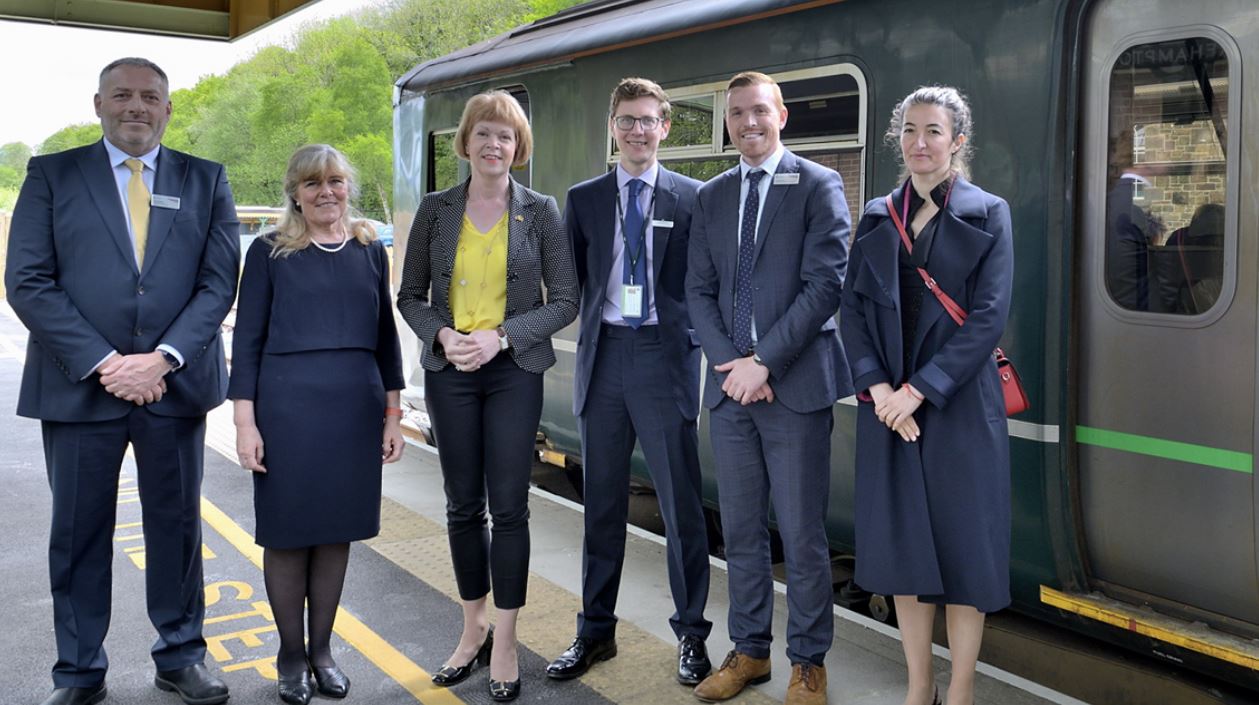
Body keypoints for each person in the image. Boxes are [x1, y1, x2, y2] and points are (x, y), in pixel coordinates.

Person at [5, 57, 238, 705]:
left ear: (168, 108)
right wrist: (108, 362)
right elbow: (27, 278)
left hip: (174, 385)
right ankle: (78, 670)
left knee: (178, 524)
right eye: (122, 95)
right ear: (99, 103)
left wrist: (161, 357)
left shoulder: (206, 178)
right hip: (81, 387)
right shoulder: (52, 175)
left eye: (150, 97)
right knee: (78, 531)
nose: (135, 106)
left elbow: (218, 282)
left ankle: (181, 654)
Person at [397, 90, 578, 702]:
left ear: (517, 146)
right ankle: (471, 626)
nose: (493, 144)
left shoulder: (540, 210)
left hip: (512, 371)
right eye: (483, 133)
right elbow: (410, 296)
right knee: (460, 506)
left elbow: (565, 300)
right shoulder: (437, 209)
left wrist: (501, 338)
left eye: (505, 135)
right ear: (466, 142)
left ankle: (505, 636)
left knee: (509, 508)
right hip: (451, 372)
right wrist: (444, 334)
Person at [839, 86, 1013, 705]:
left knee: (966, 557)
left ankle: (960, 691)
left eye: (933, 131)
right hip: (888, 410)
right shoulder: (876, 215)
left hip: (960, 409)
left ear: (957, 141)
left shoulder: (990, 213)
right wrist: (882, 389)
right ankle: (920, 687)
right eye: (909, 131)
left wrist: (919, 390)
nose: (919, 143)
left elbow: (989, 318)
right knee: (902, 554)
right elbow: (852, 311)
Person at [685, 71, 851, 705]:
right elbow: (698, 291)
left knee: (803, 534)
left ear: (782, 114)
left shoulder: (818, 185)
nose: (748, 123)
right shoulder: (713, 195)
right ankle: (751, 651)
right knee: (742, 529)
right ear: (726, 122)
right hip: (730, 392)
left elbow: (825, 284)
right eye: (736, 114)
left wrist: (766, 363)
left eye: (759, 110)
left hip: (794, 388)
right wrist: (732, 364)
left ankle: (808, 662)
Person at [545, 77, 712, 686]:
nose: (637, 131)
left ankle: (692, 637)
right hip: (605, 357)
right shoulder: (585, 198)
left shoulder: (694, 197)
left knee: (681, 508)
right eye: (626, 121)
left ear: (665, 127)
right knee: (602, 508)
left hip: (664, 361)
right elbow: (567, 290)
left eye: (648, 120)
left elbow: (705, 284)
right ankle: (595, 632)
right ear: (612, 129)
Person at [228, 144, 405, 705]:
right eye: (312, 184)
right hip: (287, 409)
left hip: (355, 407)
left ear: (347, 186)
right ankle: (289, 654)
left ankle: (322, 650)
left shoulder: (369, 250)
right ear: (295, 194)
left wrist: (393, 414)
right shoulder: (269, 252)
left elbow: (386, 338)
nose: (326, 192)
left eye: (335, 181)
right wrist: (245, 423)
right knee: (287, 535)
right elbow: (247, 341)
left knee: (335, 533)